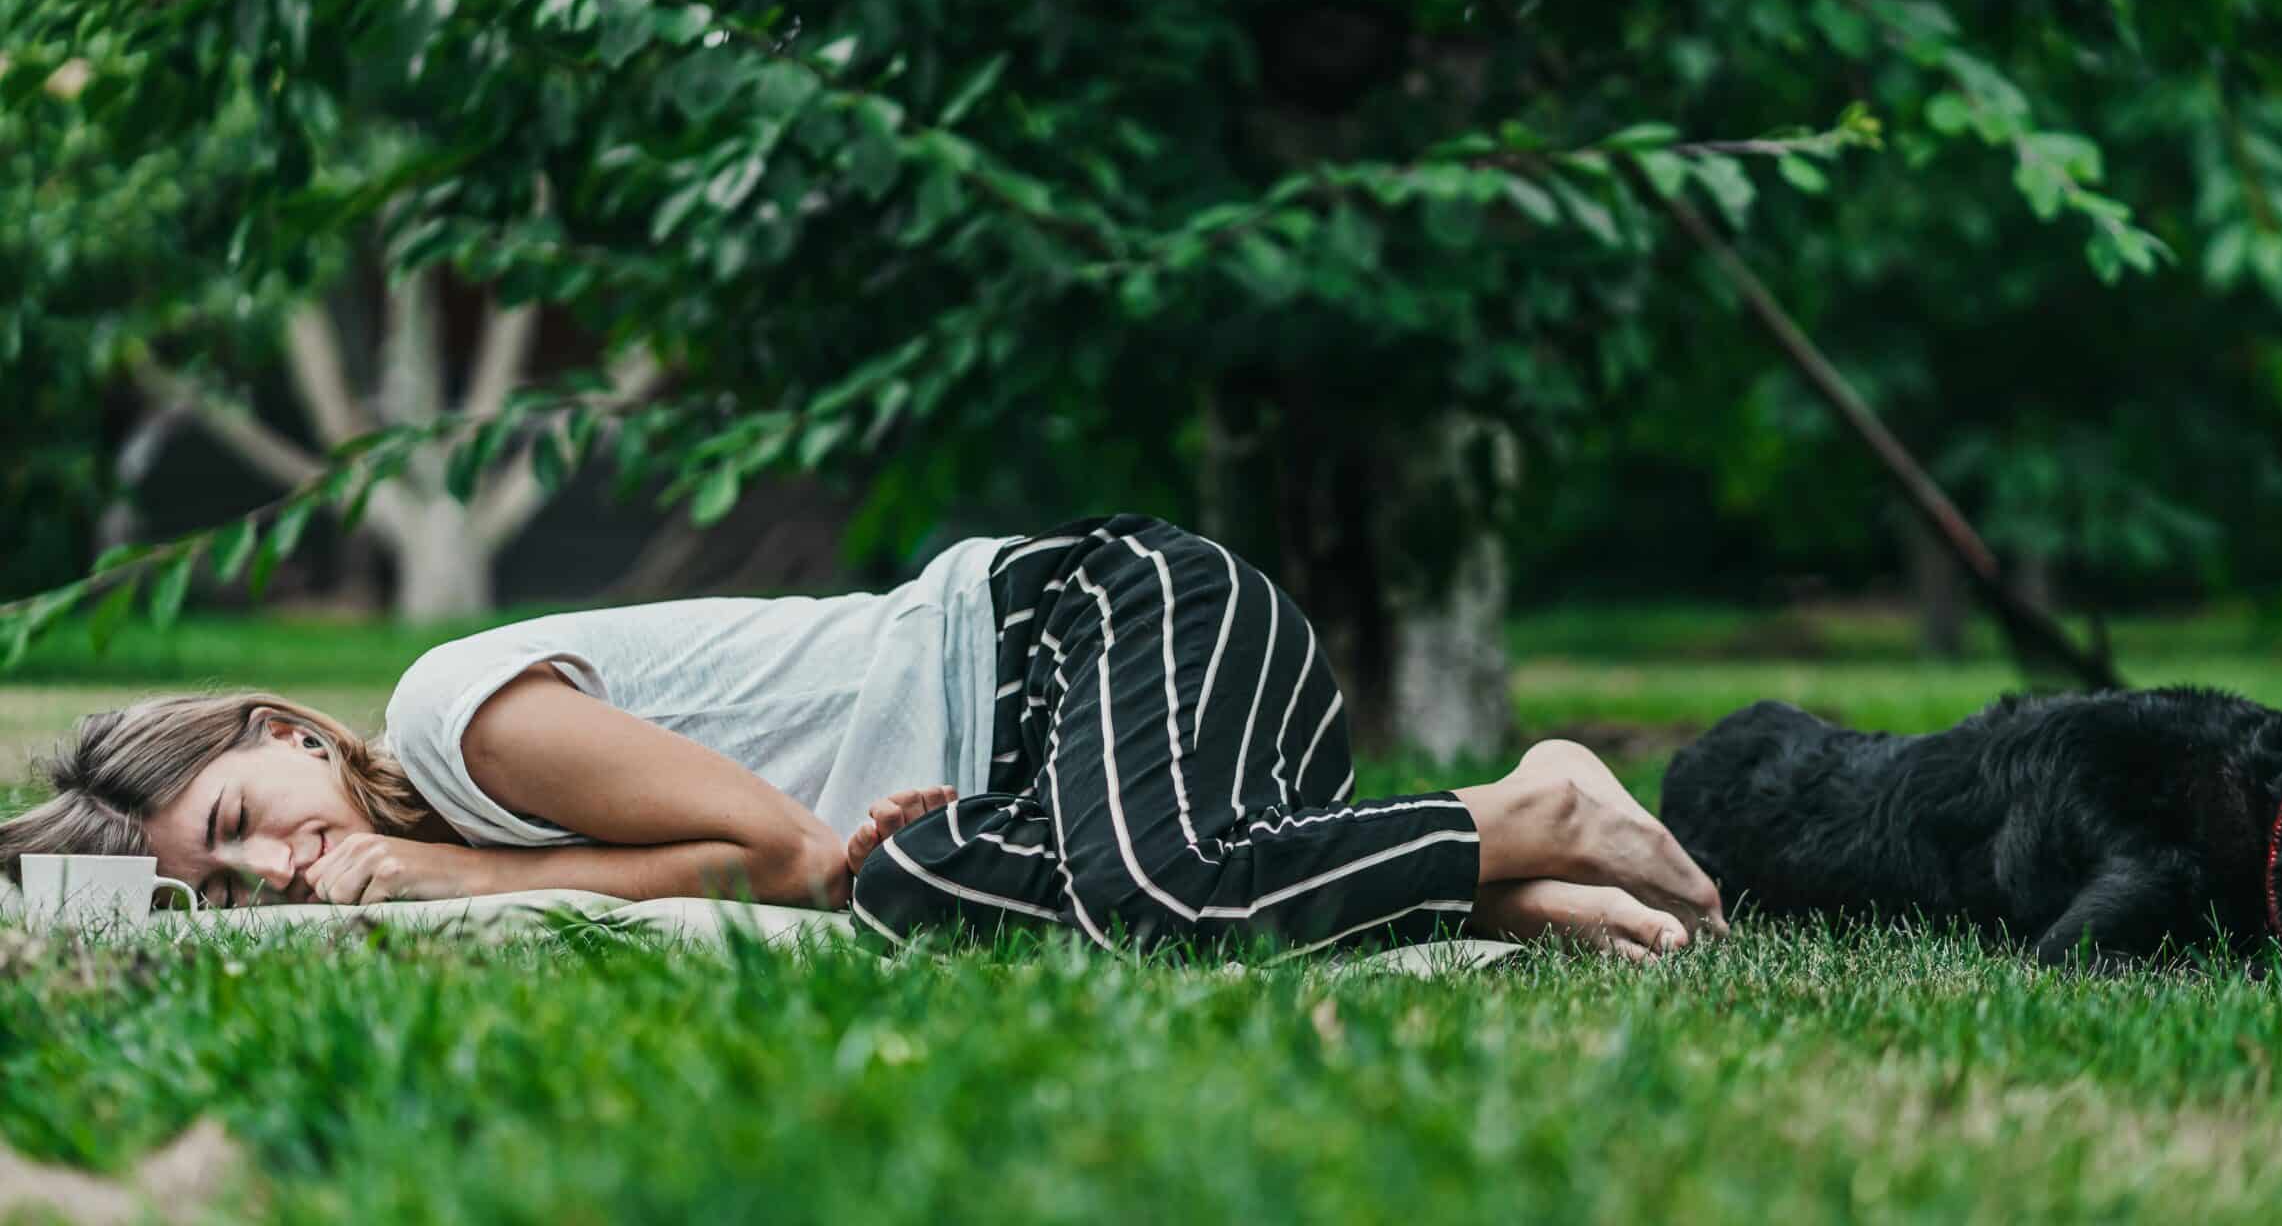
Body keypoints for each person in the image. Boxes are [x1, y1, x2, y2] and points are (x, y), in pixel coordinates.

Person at [0, 515, 1725, 960]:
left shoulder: (463, 723)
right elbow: (803, 871)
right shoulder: (458, 831)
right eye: (225, 888)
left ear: (290, 728)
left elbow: (776, 860)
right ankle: (1478, 889)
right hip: (1079, 754)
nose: (275, 868)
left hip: (1103, 627)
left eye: (239, 814)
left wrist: (439, 869)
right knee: (935, 895)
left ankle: (1531, 804)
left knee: (1045, 898)